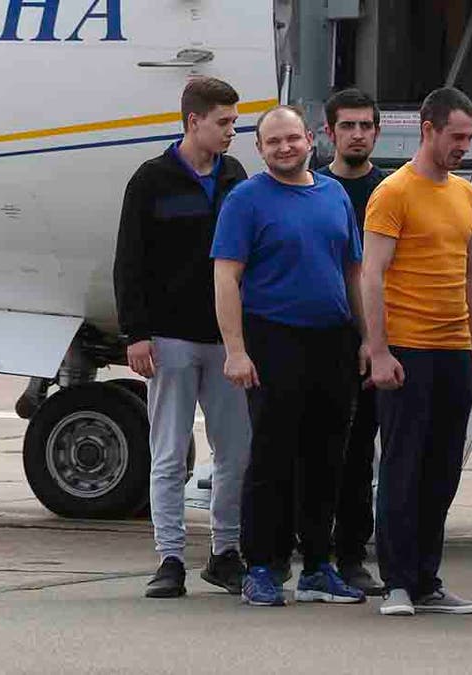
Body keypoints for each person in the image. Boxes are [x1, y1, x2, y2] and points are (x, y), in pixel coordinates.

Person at [212, 106, 367, 608]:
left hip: (333, 340)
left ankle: (318, 565)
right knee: (273, 457)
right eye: (273, 141)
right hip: (272, 339)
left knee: (328, 457)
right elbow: (226, 277)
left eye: (292, 139)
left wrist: (368, 339)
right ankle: (263, 566)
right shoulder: (246, 200)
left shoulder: (333, 194)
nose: (285, 148)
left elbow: (352, 273)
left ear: (311, 141)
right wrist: (236, 351)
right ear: (259, 149)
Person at [114, 77, 252, 598]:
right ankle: (169, 557)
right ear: (193, 122)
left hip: (225, 340)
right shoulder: (151, 180)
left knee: (235, 452)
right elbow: (129, 260)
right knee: (169, 453)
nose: (231, 132)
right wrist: (136, 333)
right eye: (224, 123)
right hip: (169, 338)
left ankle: (225, 551)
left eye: (234, 123)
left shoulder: (235, 176)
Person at [362, 87, 472, 617]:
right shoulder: (394, 192)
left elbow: (470, 274)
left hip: (454, 350)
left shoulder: (466, 195)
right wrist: (377, 351)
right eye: (457, 136)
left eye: (470, 136)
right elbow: (371, 275)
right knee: (402, 464)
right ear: (428, 128)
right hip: (406, 349)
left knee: (442, 469)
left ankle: (426, 580)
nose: (465, 145)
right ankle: (396, 581)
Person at [317, 87, 388, 596]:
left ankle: (352, 553)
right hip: (323, 339)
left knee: (362, 450)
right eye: (348, 126)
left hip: (376, 342)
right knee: (316, 450)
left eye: (365, 126)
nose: (357, 134)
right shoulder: (312, 189)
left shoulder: (390, 191)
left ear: (377, 132)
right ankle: (312, 547)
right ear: (329, 133)